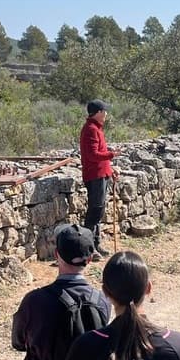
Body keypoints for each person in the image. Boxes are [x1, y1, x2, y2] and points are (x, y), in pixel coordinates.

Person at [12, 225, 110, 360]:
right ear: (89, 260)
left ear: (57, 254)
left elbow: (18, 342)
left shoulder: (34, 301)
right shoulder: (102, 301)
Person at [80, 100, 116, 259]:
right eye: (105, 111)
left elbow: (99, 156)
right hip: (95, 176)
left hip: (100, 174)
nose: (106, 114)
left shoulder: (95, 129)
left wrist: (110, 169)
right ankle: (88, 248)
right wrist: (112, 154)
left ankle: (96, 244)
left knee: (99, 211)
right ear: (99, 112)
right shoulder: (91, 130)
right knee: (95, 211)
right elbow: (93, 156)